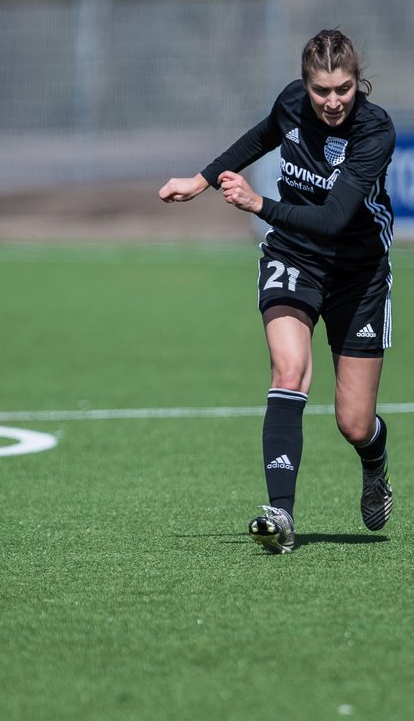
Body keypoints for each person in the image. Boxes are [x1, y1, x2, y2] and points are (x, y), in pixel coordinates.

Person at [158, 29, 395, 554]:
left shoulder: (375, 131)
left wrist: (257, 204)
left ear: (359, 82)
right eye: (321, 91)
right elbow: (262, 135)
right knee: (289, 370)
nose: (333, 102)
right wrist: (201, 180)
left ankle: (375, 463)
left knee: (354, 424)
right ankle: (280, 515)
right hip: (293, 255)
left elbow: (335, 220)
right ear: (305, 85)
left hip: (359, 273)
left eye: (344, 89)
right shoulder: (292, 101)